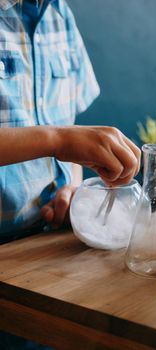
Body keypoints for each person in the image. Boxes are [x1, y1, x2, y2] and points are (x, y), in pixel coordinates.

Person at [0, 0, 141, 243]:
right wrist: (59, 140)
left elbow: (67, 125)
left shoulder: (60, 13)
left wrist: (73, 189)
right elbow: (63, 137)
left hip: (48, 239)